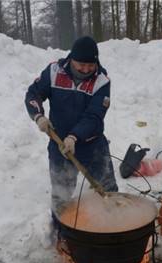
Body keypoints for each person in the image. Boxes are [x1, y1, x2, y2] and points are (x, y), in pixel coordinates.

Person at [24, 36, 118, 225]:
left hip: (93, 145)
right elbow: (33, 94)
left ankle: (114, 228)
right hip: (60, 145)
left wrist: (74, 137)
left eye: (90, 65)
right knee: (62, 195)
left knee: (106, 190)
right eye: (81, 64)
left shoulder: (101, 81)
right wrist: (38, 116)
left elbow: (94, 116)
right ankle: (62, 234)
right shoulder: (53, 71)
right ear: (71, 58)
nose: (86, 69)